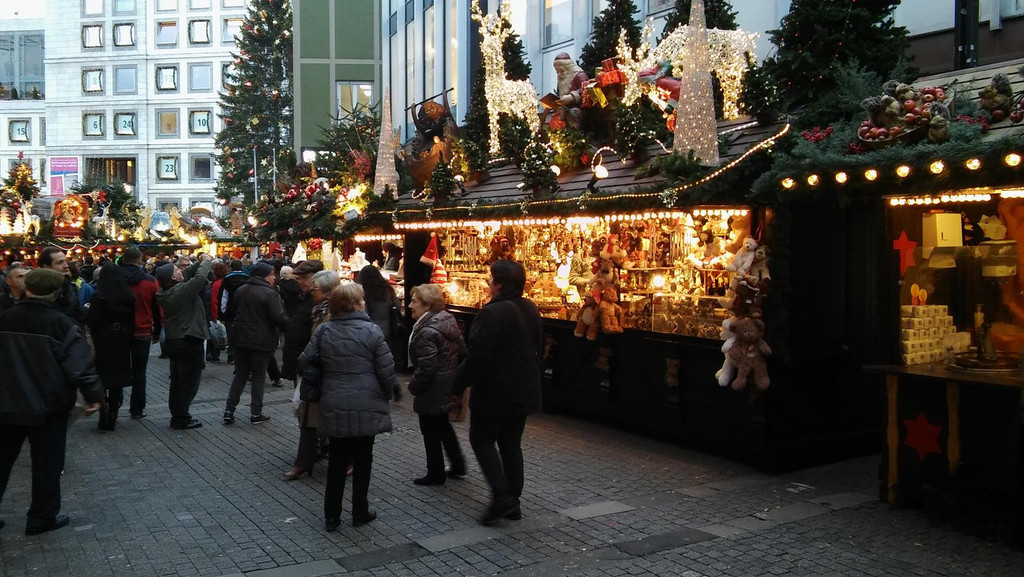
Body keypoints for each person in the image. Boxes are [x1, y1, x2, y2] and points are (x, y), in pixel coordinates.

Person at [0, 268, 103, 535]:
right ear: (57, 293)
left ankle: (41, 516)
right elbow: (79, 366)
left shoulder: (5, 318)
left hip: (6, 403)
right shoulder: (62, 325)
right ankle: (41, 517)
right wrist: (93, 396)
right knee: (47, 464)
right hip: (47, 406)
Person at [451, 259, 542, 526]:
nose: (488, 284)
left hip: (496, 391)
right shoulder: (530, 308)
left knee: (482, 440)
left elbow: (477, 356)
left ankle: (503, 496)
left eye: (491, 279)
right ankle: (513, 501)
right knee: (511, 445)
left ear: (499, 284)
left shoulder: (493, 313)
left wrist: (457, 386)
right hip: (524, 388)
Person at [300, 283, 396, 531]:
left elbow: (304, 361)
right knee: (363, 460)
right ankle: (359, 511)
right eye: (362, 300)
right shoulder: (371, 331)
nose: (365, 303)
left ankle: (332, 515)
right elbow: (386, 370)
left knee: (337, 461)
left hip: (334, 400)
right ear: (354, 304)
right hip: (367, 401)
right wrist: (385, 395)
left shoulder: (324, 331)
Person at [407, 283, 467, 486]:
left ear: (427, 305)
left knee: (430, 429)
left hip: (433, 387)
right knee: (442, 425)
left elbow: (427, 367)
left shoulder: (427, 331)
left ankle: (435, 472)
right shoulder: (447, 320)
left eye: (414, 301)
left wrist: (413, 386)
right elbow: (462, 351)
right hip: (446, 382)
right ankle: (458, 465)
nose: (410, 305)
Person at [284, 269, 339, 481]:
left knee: (330, 419)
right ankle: (304, 461)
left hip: (328, 372)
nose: (311, 290)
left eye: (315, 287)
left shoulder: (331, 313)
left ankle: (344, 459)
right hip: (314, 369)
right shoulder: (317, 309)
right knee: (308, 416)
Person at [222, 262, 288, 425]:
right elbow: (277, 317)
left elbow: (232, 311)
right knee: (258, 376)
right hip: (260, 339)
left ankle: (229, 410)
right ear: (264, 276)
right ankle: (256, 412)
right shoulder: (268, 293)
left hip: (240, 338)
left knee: (241, 374)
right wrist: (292, 325)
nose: (274, 277)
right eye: (272, 274)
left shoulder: (241, 289)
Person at [156, 255, 214, 430]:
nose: (181, 271)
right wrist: (207, 260)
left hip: (176, 341)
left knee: (178, 380)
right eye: (177, 271)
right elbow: (198, 279)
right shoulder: (179, 292)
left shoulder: (169, 290)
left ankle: (178, 414)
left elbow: (188, 273)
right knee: (188, 382)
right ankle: (181, 417)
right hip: (187, 340)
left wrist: (198, 262)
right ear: (173, 278)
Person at [85, 264, 136, 431]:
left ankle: (103, 411)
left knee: (103, 375)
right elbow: (132, 319)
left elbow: (93, 320)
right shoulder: (127, 295)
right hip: (122, 338)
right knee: (117, 378)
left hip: (103, 339)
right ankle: (114, 410)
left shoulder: (99, 296)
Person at [118, 246, 163, 419]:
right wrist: (158, 331)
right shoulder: (150, 281)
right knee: (139, 372)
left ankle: (115, 403)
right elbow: (157, 309)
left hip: (119, 331)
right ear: (139, 260)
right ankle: (137, 409)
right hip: (142, 331)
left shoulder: (115, 279)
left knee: (118, 368)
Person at [356, 265, 406, 382]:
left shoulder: (365, 292)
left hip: (370, 329)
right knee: (385, 356)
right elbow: (397, 306)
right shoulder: (387, 289)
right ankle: (385, 378)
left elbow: (364, 311)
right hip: (388, 329)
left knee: (371, 358)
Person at [281, 260, 324, 386]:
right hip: (299, 358)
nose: (301, 282)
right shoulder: (301, 297)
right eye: (299, 278)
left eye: (305, 278)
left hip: (309, 360)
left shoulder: (319, 302)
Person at [38, 247, 83, 322]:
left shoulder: (70, 287)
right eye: (60, 262)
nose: (66, 265)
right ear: (46, 267)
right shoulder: (37, 290)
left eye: (66, 261)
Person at [206, 261, 230, 362]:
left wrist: (215, 315)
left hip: (219, 313)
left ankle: (213, 354)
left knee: (214, 334)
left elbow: (214, 300)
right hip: (227, 312)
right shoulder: (228, 282)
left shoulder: (216, 284)